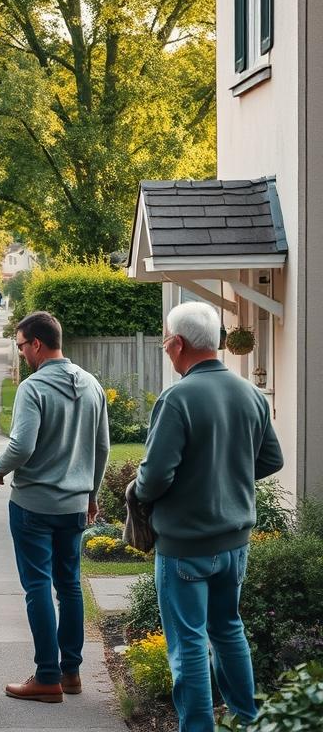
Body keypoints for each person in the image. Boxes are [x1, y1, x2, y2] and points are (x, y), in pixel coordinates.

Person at [133, 302, 283, 731]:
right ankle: (248, 721)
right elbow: (271, 459)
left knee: (189, 644)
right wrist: (225, 478)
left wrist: (139, 493)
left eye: (165, 340)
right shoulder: (249, 393)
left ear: (179, 343)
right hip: (235, 544)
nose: (165, 347)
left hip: (184, 546)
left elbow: (154, 477)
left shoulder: (177, 398)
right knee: (229, 629)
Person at [0, 311, 109, 703]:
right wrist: (91, 495)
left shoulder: (34, 387)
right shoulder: (91, 384)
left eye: (22, 345)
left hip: (34, 505)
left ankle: (46, 677)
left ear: (37, 344)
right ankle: (71, 673)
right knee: (69, 584)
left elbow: (22, 446)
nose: (22, 353)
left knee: (37, 584)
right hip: (74, 505)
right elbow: (102, 447)